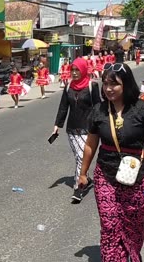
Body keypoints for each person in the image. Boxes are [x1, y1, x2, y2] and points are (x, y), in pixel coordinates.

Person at [78, 63, 144, 261]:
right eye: (105, 83)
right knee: (109, 225)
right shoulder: (98, 110)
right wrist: (83, 173)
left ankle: (132, 255)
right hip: (105, 176)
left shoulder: (142, 109)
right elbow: (91, 144)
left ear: (126, 84)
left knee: (134, 224)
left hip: (137, 178)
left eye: (114, 84)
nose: (108, 88)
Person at [53, 58, 101, 202]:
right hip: (72, 130)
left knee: (81, 156)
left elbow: (98, 107)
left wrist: (100, 126)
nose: (74, 73)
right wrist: (57, 126)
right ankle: (87, 179)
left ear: (83, 70)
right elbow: (63, 107)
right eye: (72, 70)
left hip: (89, 129)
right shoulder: (68, 86)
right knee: (79, 157)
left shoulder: (92, 86)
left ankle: (78, 187)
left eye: (77, 70)